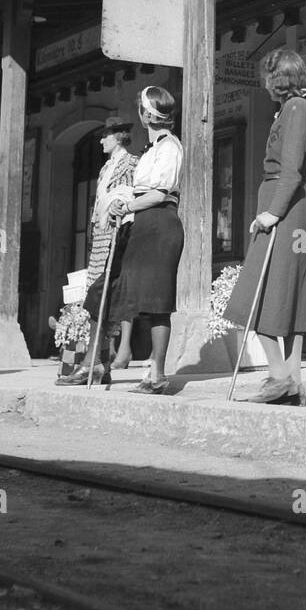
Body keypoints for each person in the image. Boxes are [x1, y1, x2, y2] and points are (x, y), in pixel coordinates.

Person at [225, 49, 306, 405]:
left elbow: (292, 169)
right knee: (286, 296)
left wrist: (272, 213)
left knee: (261, 293)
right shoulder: (294, 110)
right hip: (289, 207)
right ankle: (291, 380)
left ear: (277, 78)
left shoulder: (296, 110)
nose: (264, 83)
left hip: (286, 208)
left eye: (267, 76)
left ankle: (280, 376)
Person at [107, 88, 184, 395]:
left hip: (161, 223)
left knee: (158, 302)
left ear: (146, 115)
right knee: (142, 299)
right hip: (144, 223)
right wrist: (121, 203)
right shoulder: (151, 149)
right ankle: (150, 371)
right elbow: (140, 193)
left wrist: (127, 206)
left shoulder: (169, 147)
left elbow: (159, 193)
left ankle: (158, 375)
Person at [56, 116, 138, 386]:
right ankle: (101, 362)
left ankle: (98, 361)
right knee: (97, 296)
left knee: (106, 295)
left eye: (106, 135)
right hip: (102, 238)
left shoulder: (130, 163)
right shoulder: (105, 168)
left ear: (118, 137)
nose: (102, 140)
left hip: (119, 235)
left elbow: (131, 199)